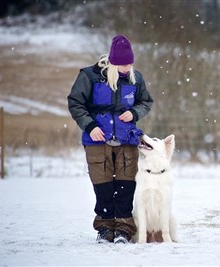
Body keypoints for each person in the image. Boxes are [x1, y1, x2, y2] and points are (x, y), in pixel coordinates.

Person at [67, 35, 153, 244]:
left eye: (130, 63)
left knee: (126, 187)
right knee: (103, 187)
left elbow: (146, 102)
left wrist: (134, 113)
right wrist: (91, 126)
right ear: (112, 63)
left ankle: (124, 229)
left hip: (126, 140)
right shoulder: (89, 76)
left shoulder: (136, 78)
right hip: (97, 140)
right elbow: (76, 103)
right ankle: (105, 228)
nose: (127, 68)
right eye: (123, 64)